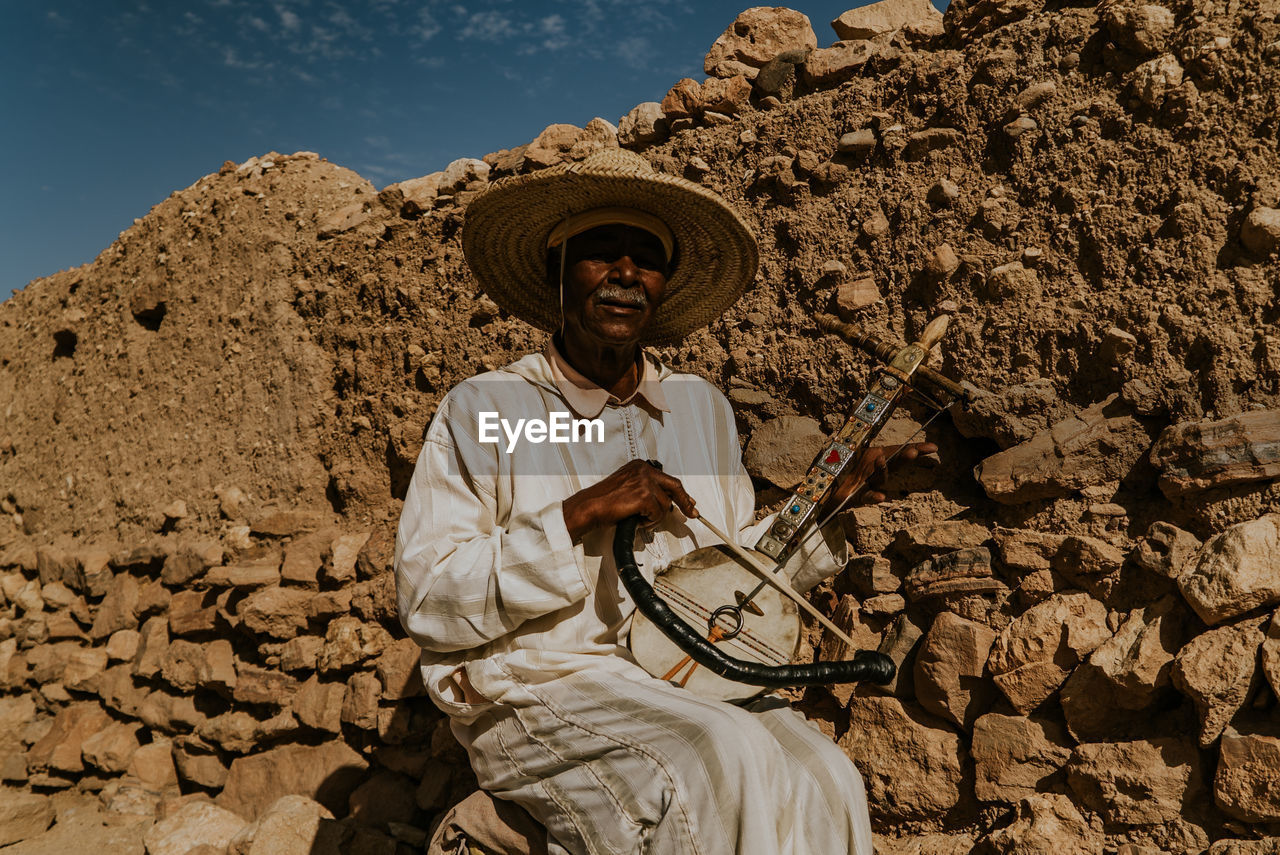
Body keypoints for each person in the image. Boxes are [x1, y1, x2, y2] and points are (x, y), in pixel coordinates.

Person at [396, 149, 931, 855]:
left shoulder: (696, 408)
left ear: (664, 284)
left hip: (682, 672)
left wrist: (829, 497)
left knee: (827, 777)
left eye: (646, 259)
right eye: (600, 254)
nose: (625, 273)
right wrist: (579, 512)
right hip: (537, 681)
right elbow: (429, 599)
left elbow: (734, 562)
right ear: (560, 272)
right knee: (723, 754)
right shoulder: (487, 407)